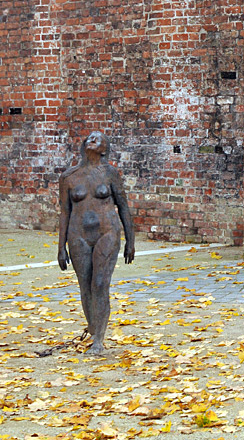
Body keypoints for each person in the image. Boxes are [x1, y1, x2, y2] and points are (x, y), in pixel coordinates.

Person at [57, 131, 135, 354]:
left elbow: (123, 206)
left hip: (107, 232)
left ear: (104, 149)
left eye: (98, 139)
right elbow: (64, 212)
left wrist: (131, 240)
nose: (92, 140)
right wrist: (61, 247)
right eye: (90, 137)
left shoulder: (110, 173)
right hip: (78, 234)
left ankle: (98, 340)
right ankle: (94, 329)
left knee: (99, 283)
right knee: (85, 285)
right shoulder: (69, 177)